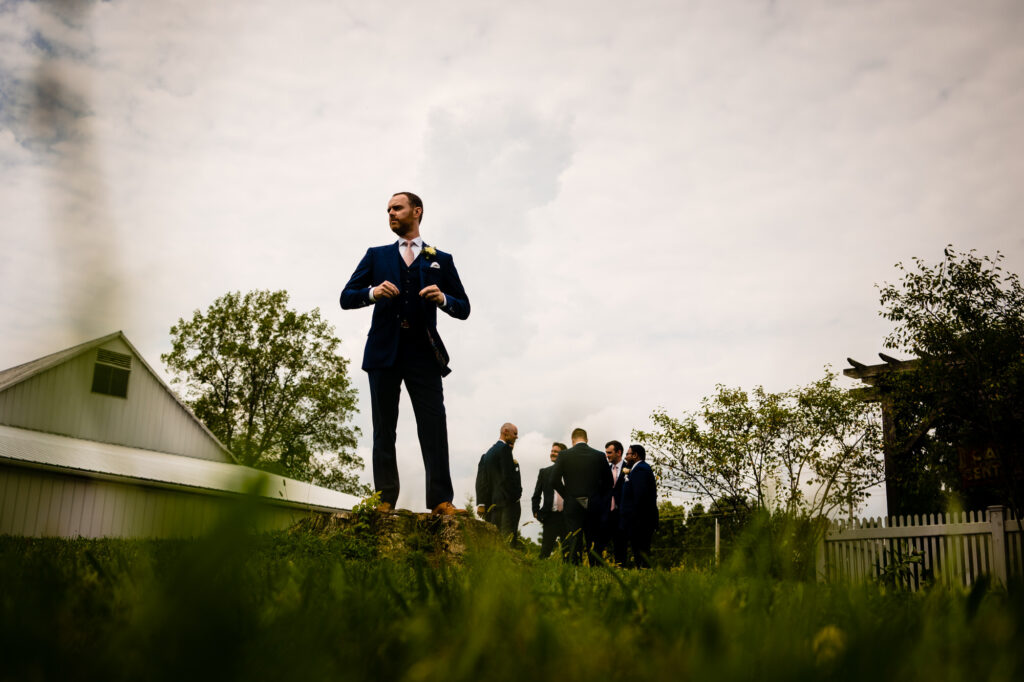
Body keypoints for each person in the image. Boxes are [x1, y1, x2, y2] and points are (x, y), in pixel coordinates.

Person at [339, 191, 470, 515]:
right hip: (383, 352)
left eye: (397, 208)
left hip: (424, 353)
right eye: (388, 210)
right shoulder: (376, 255)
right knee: (384, 427)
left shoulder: (440, 258)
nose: (391, 214)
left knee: (434, 425)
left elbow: (464, 307)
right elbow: (346, 296)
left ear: (417, 211)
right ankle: (384, 499)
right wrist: (372, 292)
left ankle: (441, 500)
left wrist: (444, 299)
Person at [549, 428, 613, 564]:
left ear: (572, 441)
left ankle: (574, 568)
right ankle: (596, 569)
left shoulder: (564, 455)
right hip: (594, 503)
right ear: (587, 440)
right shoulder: (599, 456)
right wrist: (597, 496)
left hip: (572, 504)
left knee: (573, 538)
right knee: (593, 539)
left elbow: (553, 480)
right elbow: (609, 483)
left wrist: (568, 495)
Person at [477, 423, 522, 541]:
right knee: (508, 541)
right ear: (505, 431)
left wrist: (482, 503)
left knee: (493, 541)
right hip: (507, 504)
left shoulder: (486, 454)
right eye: (515, 434)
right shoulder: (505, 449)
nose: (516, 437)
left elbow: (482, 480)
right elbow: (508, 477)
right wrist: (516, 496)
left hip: (491, 505)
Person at [620, 444, 659, 568]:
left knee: (641, 551)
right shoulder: (637, 468)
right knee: (639, 551)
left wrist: (633, 519)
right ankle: (643, 571)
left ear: (635, 455)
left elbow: (640, 496)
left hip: (639, 520)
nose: (625, 457)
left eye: (628, 454)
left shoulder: (640, 469)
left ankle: (644, 573)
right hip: (638, 519)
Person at [531, 442, 568, 559]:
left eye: (556, 451)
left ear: (563, 454)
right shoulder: (544, 472)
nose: (552, 453)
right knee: (544, 552)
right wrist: (535, 511)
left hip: (567, 516)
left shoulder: (571, 472)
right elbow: (536, 495)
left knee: (568, 552)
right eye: (552, 451)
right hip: (549, 517)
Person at [604, 440, 628, 566]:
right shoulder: (605, 470)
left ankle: (621, 567)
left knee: (621, 543)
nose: (607, 455)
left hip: (622, 512)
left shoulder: (629, 468)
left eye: (609, 452)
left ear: (619, 452)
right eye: (606, 452)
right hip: (607, 512)